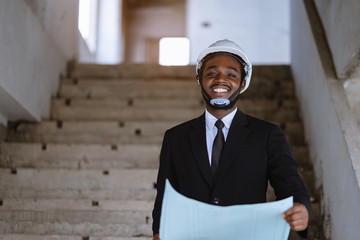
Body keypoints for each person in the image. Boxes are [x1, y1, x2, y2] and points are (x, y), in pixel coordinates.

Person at [152, 39, 310, 239]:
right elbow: (165, 197)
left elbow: (289, 182)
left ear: (242, 83)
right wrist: (159, 230)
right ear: (200, 80)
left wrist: (301, 207)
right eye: (211, 73)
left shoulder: (267, 134)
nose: (220, 80)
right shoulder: (176, 138)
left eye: (231, 75)